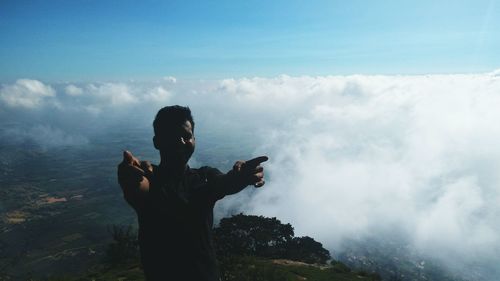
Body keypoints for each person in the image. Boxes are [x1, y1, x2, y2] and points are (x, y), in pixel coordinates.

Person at [117, 105, 268, 281]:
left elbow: (224, 182)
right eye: (172, 137)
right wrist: (130, 179)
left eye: (187, 136)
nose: (181, 142)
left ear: (194, 139)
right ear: (157, 142)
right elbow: (139, 189)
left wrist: (239, 177)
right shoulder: (149, 179)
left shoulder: (205, 176)